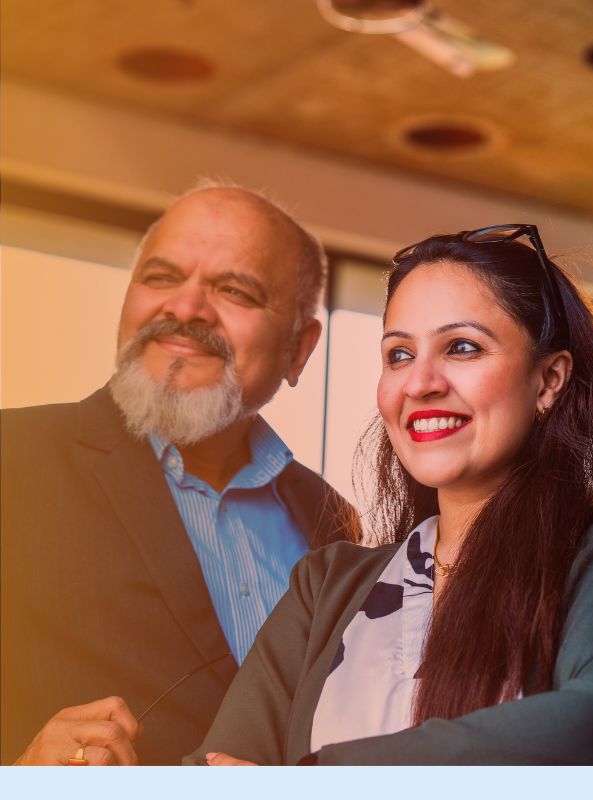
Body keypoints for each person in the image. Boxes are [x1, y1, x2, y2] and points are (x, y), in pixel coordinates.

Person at [189, 224, 593, 765]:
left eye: (462, 347)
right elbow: (218, 770)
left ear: (549, 380)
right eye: (399, 354)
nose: (420, 383)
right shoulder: (325, 587)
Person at [1, 182, 357, 766]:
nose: (185, 309)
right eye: (161, 278)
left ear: (299, 346)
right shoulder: (10, 459)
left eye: (234, 289)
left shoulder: (333, 521)